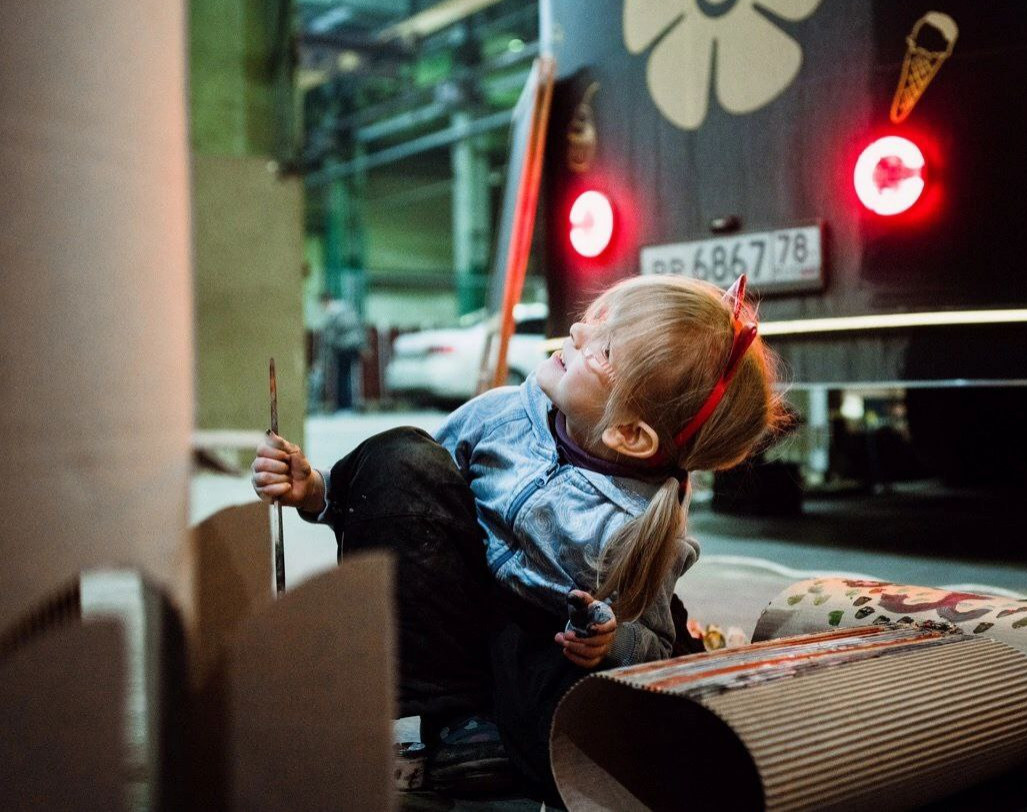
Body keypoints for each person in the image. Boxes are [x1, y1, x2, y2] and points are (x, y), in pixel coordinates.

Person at [252, 274, 788, 800]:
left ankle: (488, 740)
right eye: (595, 319)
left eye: (603, 349)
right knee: (402, 454)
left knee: (591, 736)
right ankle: (451, 718)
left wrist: (610, 641)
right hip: (452, 615)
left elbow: (650, 645)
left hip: (538, 649)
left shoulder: (641, 525)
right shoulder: (503, 413)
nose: (577, 331)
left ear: (628, 433)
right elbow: (404, 503)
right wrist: (316, 491)